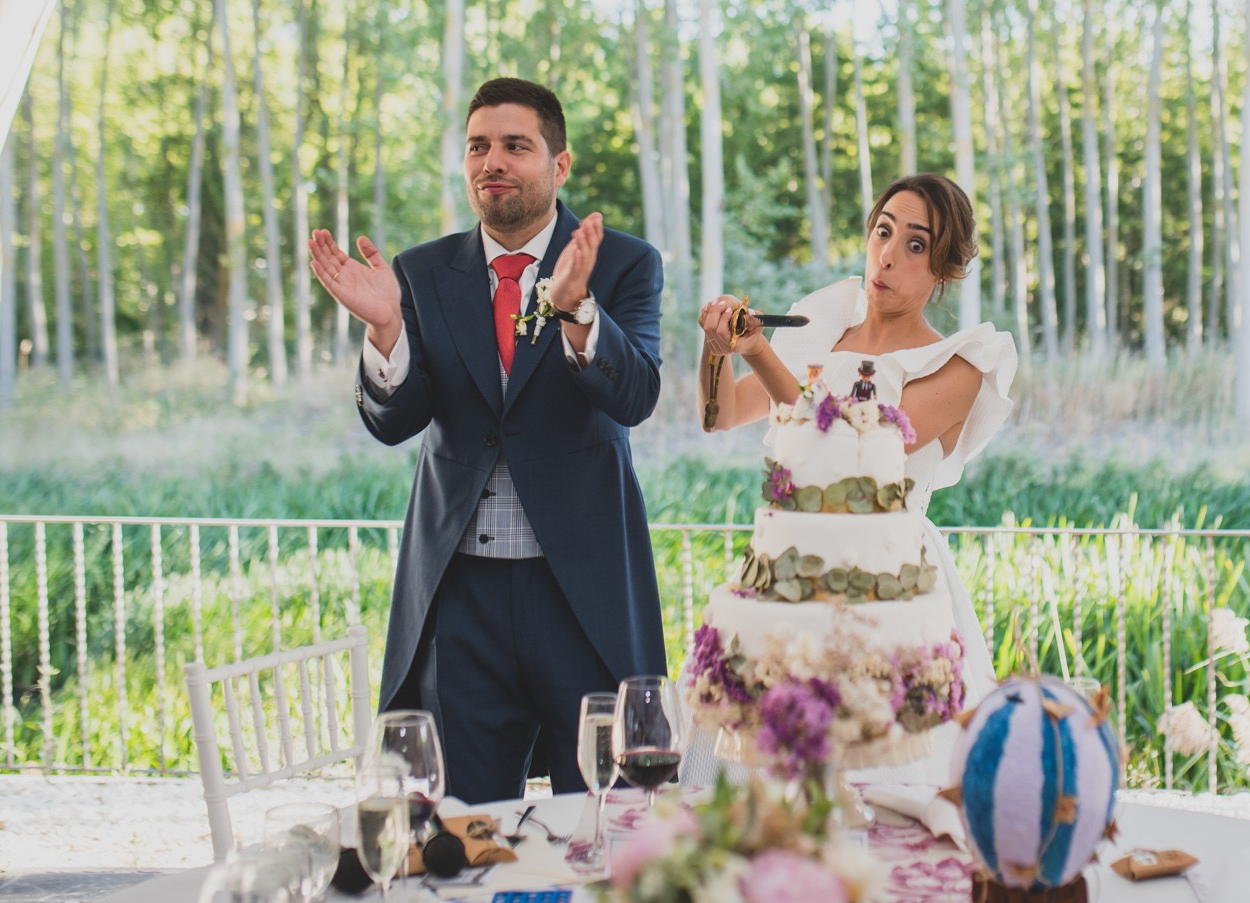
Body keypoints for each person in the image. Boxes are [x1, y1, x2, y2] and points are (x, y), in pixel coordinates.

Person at [308, 77, 666, 802]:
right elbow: (394, 420)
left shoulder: (624, 263)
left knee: (602, 816)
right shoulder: (418, 272)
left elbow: (636, 396)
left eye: (514, 145)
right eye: (478, 146)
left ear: (558, 164)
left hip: (582, 595)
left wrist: (577, 311)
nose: (491, 161)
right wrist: (385, 330)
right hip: (458, 598)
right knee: (457, 823)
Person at [694, 173, 1018, 779]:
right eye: (882, 232)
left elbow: (846, 451)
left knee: (885, 771)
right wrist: (717, 346)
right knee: (779, 778)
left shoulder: (959, 365)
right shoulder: (821, 325)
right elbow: (722, 415)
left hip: (889, 576)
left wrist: (759, 352)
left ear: (943, 269)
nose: (888, 256)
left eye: (916, 245)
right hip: (792, 569)